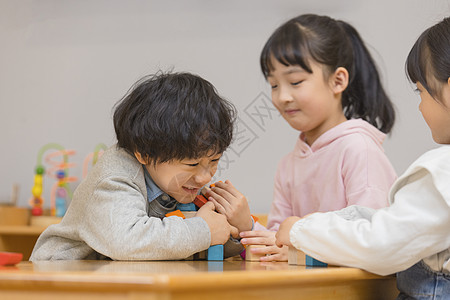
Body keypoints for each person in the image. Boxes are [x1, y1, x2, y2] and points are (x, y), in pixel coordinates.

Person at [276, 17, 450, 298]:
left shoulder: (441, 171)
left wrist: (302, 231)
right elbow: (389, 221)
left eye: (421, 91)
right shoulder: (290, 162)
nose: (419, 105)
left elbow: (383, 244)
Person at [30, 71, 252, 261]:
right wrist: (203, 230)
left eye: (214, 161)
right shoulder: (113, 177)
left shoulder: (179, 185)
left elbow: (188, 248)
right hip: (58, 279)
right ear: (144, 152)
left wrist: (239, 229)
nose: (205, 177)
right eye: (192, 163)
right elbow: (126, 240)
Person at [239, 14, 397, 261]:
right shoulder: (288, 164)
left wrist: (298, 242)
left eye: (295, 81)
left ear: (338, 81)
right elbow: (277, 239)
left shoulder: (358, 149)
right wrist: (244, 223)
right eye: (274, 85)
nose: (282, 97)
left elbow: (373, 236)